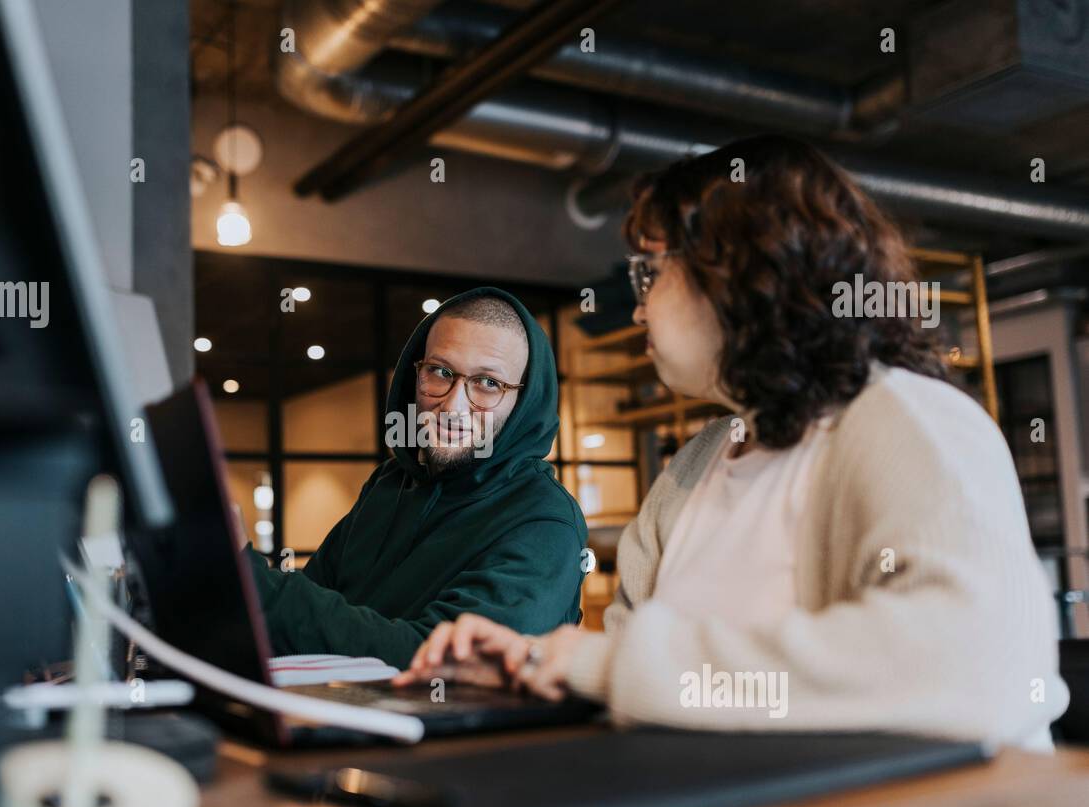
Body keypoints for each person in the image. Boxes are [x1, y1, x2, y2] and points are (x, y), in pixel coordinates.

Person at [396, 136, 1069, 749]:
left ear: (742, 272)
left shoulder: (909, 421)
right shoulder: (697, 464)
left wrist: (604, 666)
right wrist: (534, 666)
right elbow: (649, 686)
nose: (637, 309)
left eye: (649, 274)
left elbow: (972, 666)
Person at [242, 288, 588, 669]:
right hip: (339, 717)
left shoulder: (545, 522)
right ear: (416, 375)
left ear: (525, 403)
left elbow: (441, 665)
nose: (453, 406)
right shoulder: (389, 484)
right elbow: (303, 617)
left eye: (488, 383)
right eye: (440, 373)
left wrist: (253, 584)